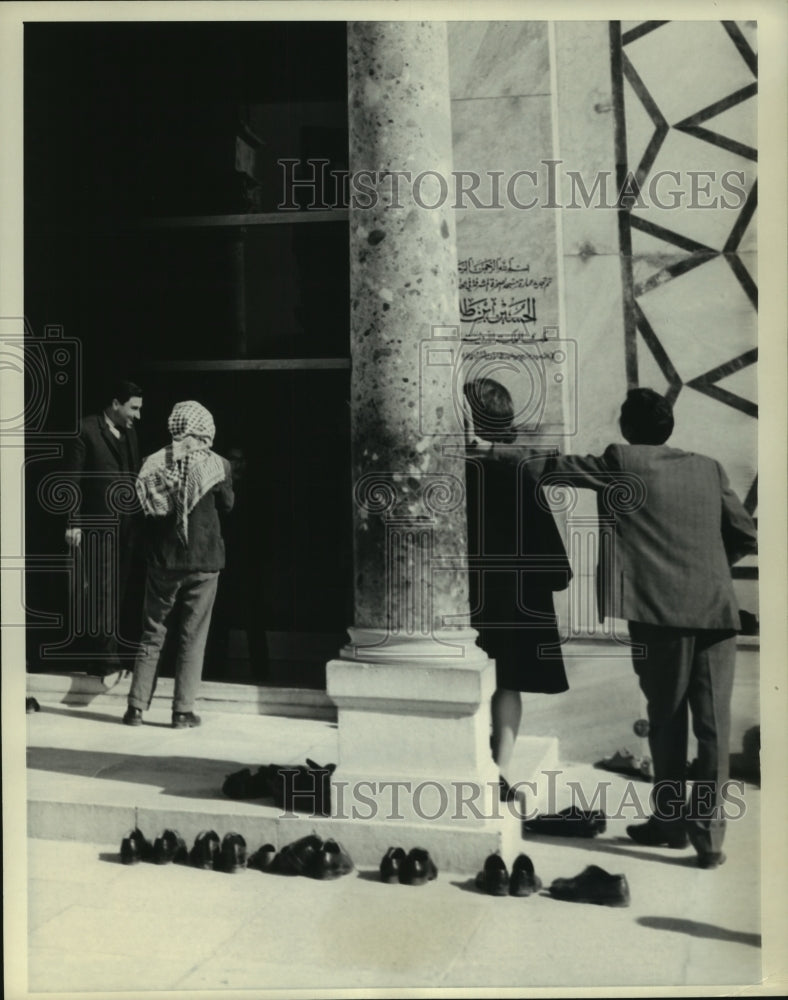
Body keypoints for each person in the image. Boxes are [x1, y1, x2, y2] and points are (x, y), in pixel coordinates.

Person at [488, 387, 757, 868]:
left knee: (669, 719)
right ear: (668, 426)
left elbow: (550, 467)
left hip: (660, 614)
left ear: (627, 430)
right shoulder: (709, 466)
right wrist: (710, 568)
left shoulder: (621, 461)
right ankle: (710, 841)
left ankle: (670, 824)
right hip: (718, 612)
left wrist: (492, 445)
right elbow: (744, 533)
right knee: (714, 727)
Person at [463, 378, 572, 800]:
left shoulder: (462, 467)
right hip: (519, 589)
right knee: (509, 681)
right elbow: (542, 527)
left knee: (477, 678)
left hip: (474, 586)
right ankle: (501, 769)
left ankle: (483, 767)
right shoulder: (518, 468)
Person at [123, 401, 234, 729]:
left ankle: (136, 708)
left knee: (152, 633)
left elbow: (142, 509)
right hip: (204, 562)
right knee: (192, 637)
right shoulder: (219, 465)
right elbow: (228, 505)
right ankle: (182, 712)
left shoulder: (153, 463)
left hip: (164, 561)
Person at [64, 379, 144, 678]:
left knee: (118, 592)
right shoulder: (85, 430)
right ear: (115, 404)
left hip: (128, 526)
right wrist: (73, 523)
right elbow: (71, 482)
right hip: (98, 525)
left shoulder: (130, 432)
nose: (137, 415)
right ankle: (107, 661)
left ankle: (100, 658)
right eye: (133, 408)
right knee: (103, 592)